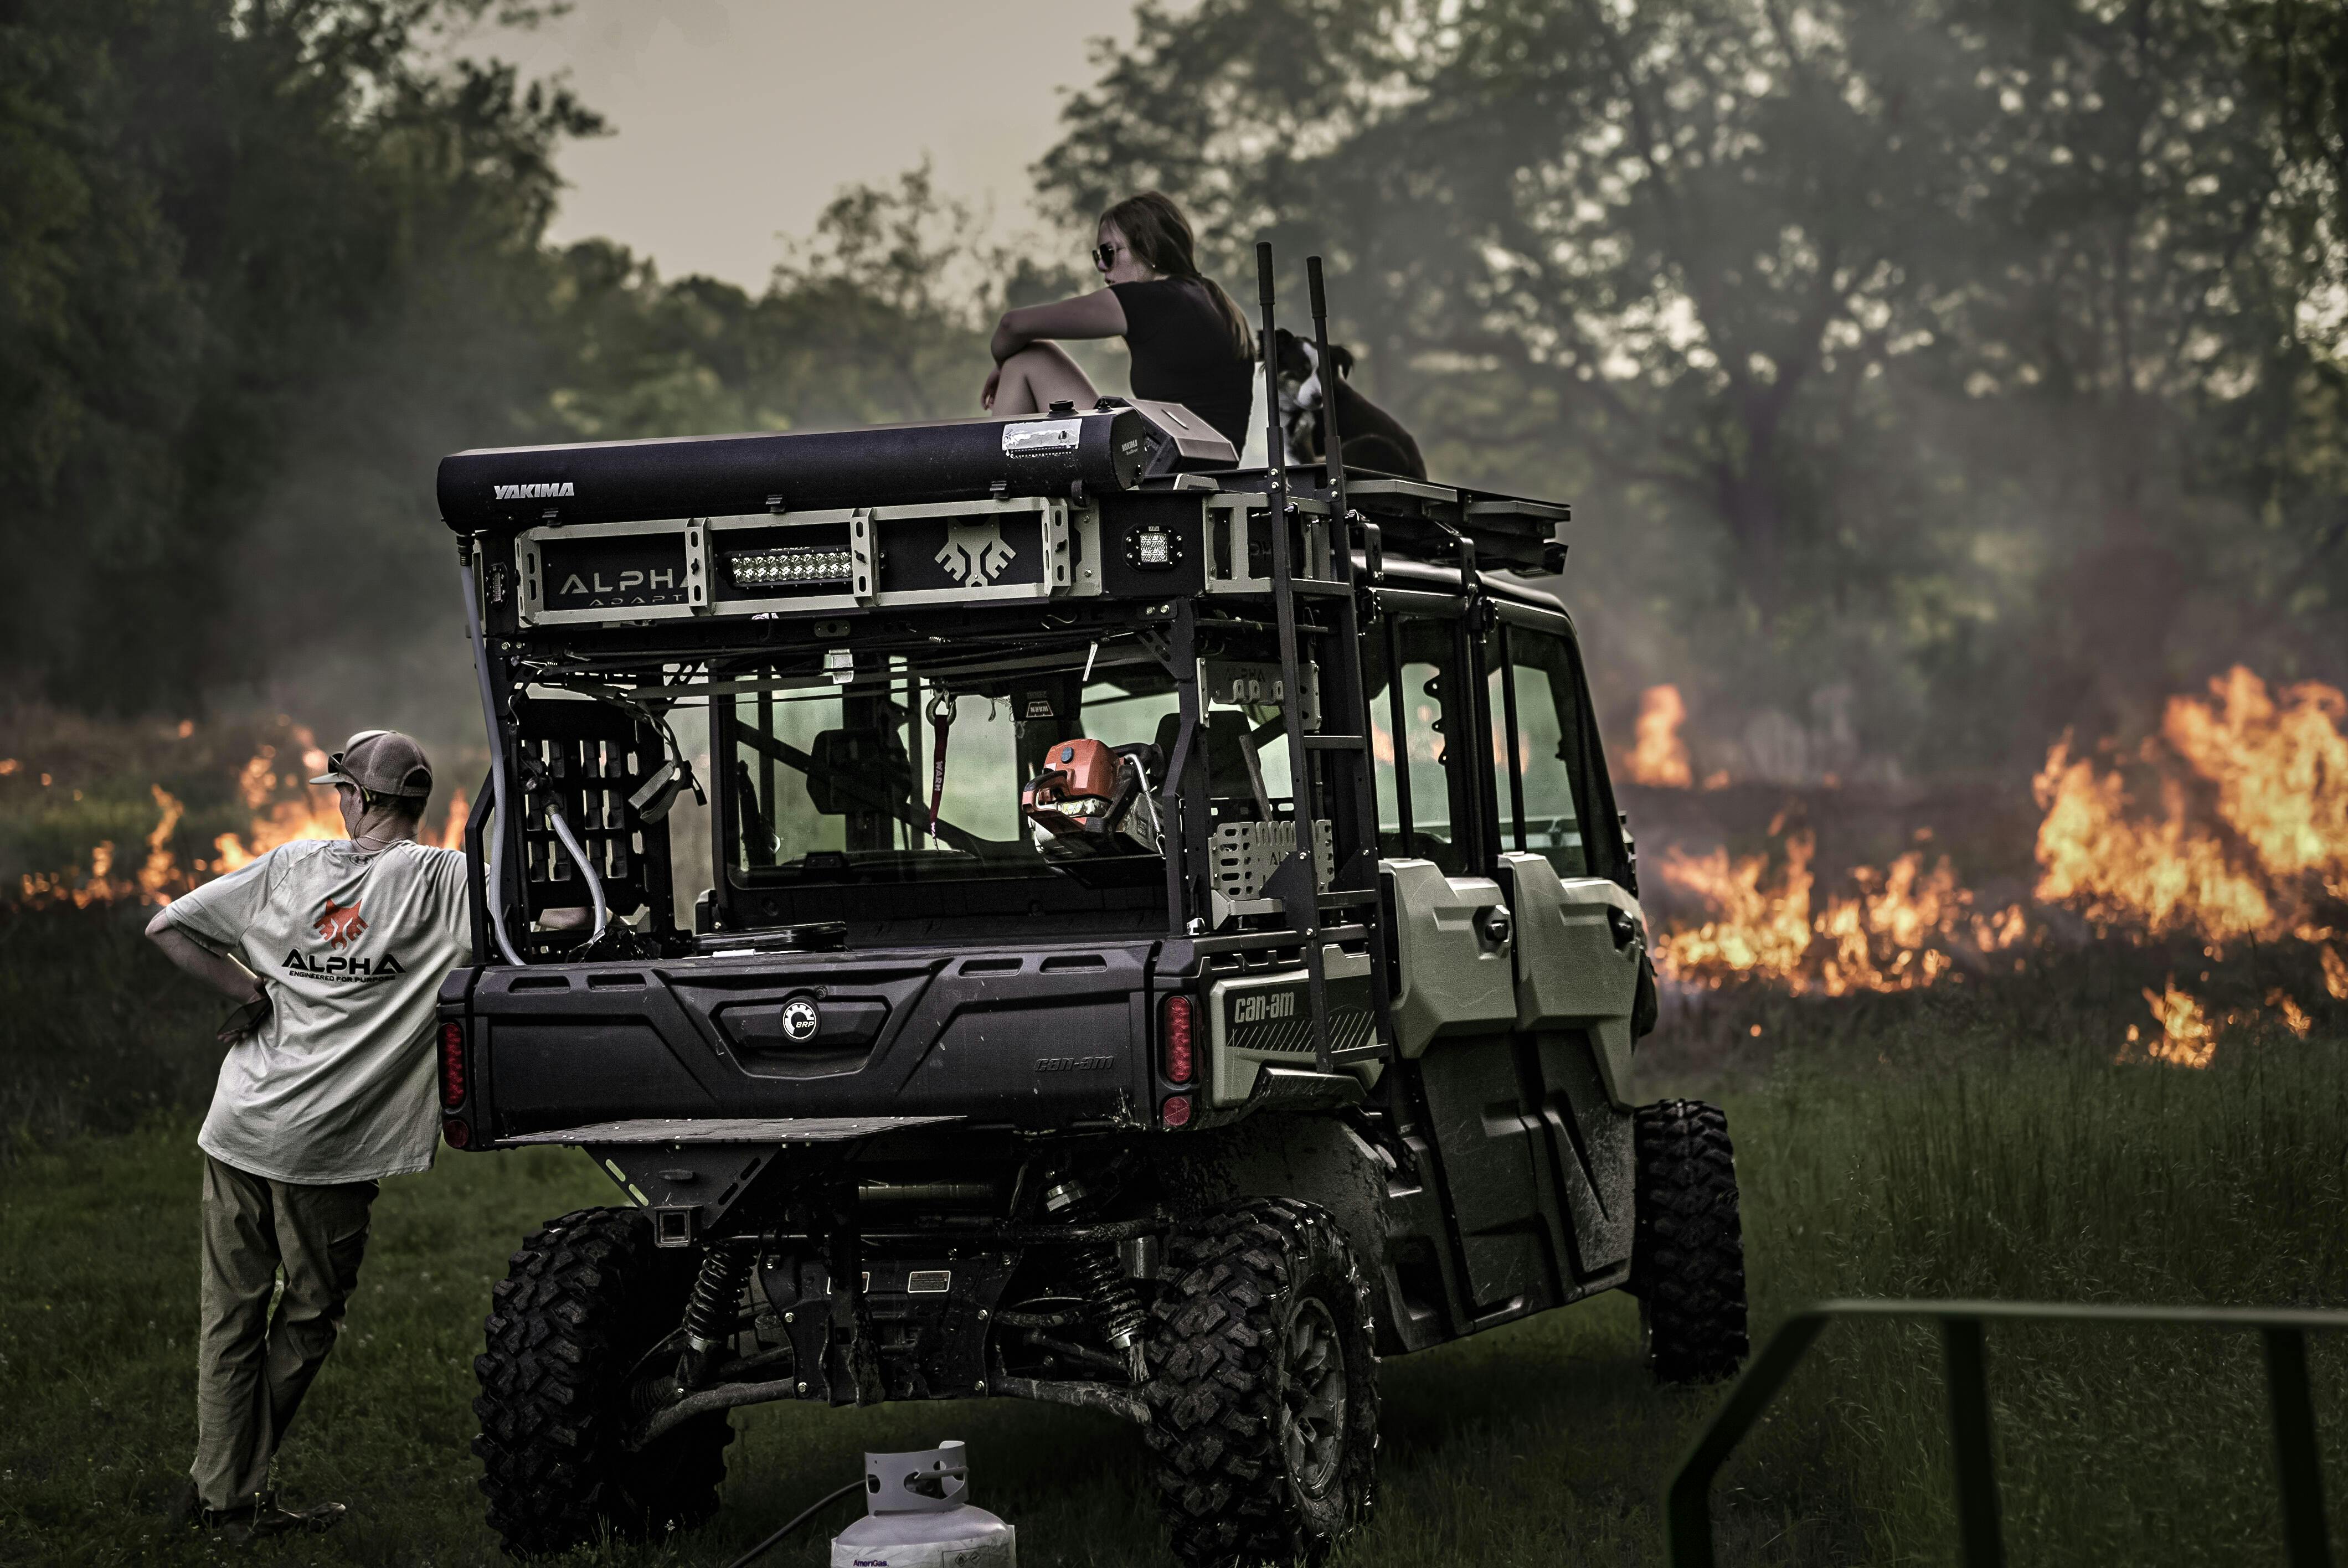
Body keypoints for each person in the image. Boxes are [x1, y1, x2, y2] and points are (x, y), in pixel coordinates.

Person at [149, 730, 471, 1543]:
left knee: (229, 1316)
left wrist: (251, 992)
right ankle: (229, 1491)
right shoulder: (447, 883)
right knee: (311, 1311)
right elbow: (558, 915)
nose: (339, 804)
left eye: (343, 792)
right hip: (326, 1148)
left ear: (359, 798)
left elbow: (168, 927)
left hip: (240, 1125)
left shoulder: (291, 866)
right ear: (417, 801)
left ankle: (220, 1490)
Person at [982, 190, 1258, 453]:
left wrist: (1002, 362)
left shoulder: (1153, 300)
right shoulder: (1212, 298)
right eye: (1098, 257)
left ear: (1147, 248)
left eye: (1108, 252)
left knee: (1028, 359)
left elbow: (1012, 325)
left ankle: (992, 483)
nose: (1102, 266)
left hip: (1167, 472)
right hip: (1206, 471)